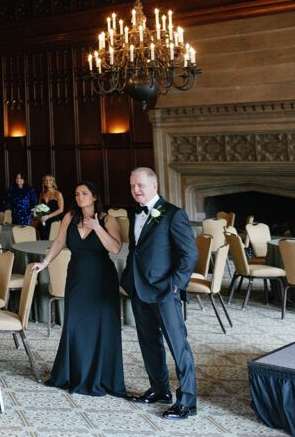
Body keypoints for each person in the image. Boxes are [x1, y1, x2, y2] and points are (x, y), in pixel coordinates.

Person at [32, 181, 126, 397]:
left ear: (94, 196)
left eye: (84, 193)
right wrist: (45, 263)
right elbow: (59, 242)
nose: (79, 197)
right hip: (76, 278)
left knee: (101, 326)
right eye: (76, 194)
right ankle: (73, 373)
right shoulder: (70, 217)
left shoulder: (107, 219)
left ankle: (102, 377)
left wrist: (97, 228)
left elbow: (115, 248)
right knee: (75, 325)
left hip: (102, 280)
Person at [122, 167, 198, 420]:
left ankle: (187, 401)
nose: (135, 190)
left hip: (165, 291)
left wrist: (175, 285)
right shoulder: (134, 213)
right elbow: (136, 250)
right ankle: (159, 389)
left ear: (154, 186)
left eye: (140, 185)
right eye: (132, 185)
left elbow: (190, 254)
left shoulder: (174, 214)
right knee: (149, 342)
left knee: (178, 346)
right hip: (139, 288)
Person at [36, 174, 66, 239]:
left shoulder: (58, 194)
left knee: (52, 240)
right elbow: (39, 207)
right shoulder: (42, 194)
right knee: (42, 240)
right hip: (43, 220)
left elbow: (61, 209)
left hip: (54, 221)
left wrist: (48, 216)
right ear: (44, 182)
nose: (48, 182)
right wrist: (40, 216)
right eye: (46, 180)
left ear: (53, 182)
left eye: (50, 180)